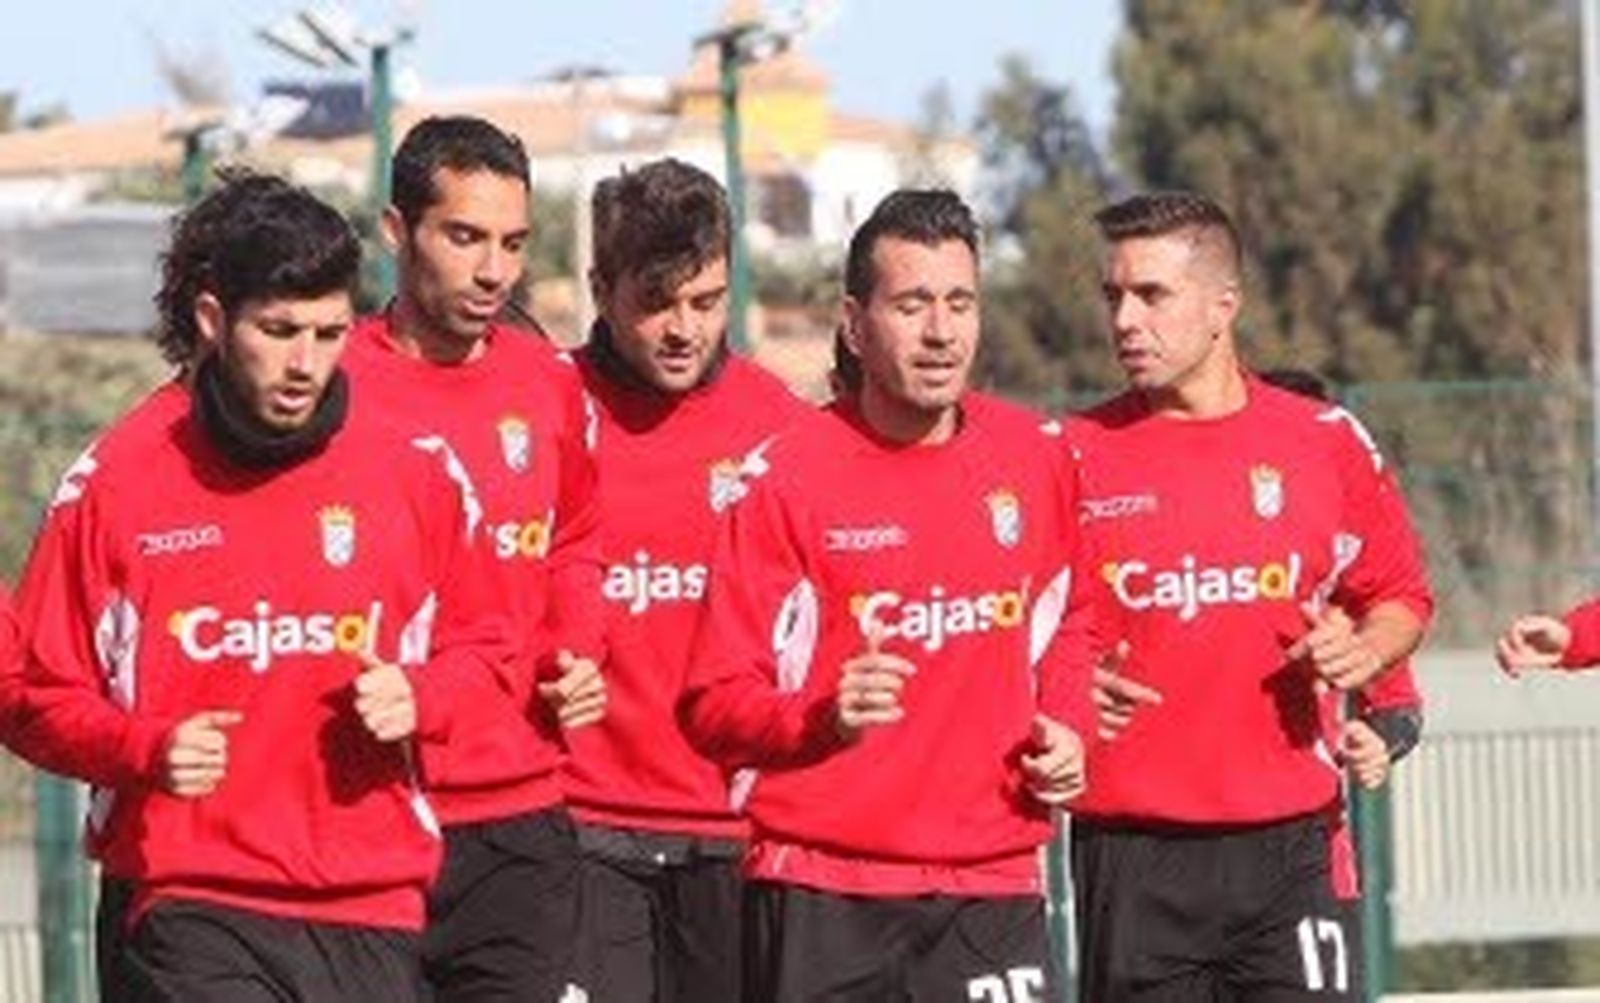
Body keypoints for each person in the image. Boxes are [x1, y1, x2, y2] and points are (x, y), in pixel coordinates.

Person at [5, 173, 515, 1003]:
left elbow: (494, 651)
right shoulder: (119, 482)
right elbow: (27, 691)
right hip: (189, 906)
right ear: (213, 322)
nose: (305, 363)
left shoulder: (415, 472)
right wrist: (143, 748)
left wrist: (428, 693)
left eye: (329, 332)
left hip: (372, 907)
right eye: (279, 331)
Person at [681, 189, 1096, 1001]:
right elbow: (710, 703)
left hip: (993, 888)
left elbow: (1070, 620)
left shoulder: (1035, 458)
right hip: (823, 893)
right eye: (912, 305)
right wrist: (821, 716)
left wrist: (1071, 727)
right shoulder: (783, 478)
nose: (942, 332)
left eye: (959, 303)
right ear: (853, 321)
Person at [1066, 190, 1433, 1002]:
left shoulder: (1322, 440)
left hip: (1291, 850)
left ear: (1222, 305)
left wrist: (1366, 648)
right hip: (1131, 852)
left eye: (1151, 294)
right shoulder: (1071, 454)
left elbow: (1400, 595)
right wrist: (1061, 684)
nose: (1126, 319)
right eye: (1113, 296)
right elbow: (1018, 632)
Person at [345, 114, 604, 1003]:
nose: (494, 270)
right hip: (372, 816)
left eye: (512, 243)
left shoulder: (551, 384)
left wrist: (580, 649)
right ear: (395, 231)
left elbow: (575, 543)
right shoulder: (330, 387)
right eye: (464, 237)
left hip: (520, 817)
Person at [558, 157, 808, 1001]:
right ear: (601, 287)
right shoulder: (550, 411)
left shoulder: (782, 428)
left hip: (734, 836)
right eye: (656, 302)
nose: (683, 329)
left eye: (705, 302)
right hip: (581, 826)